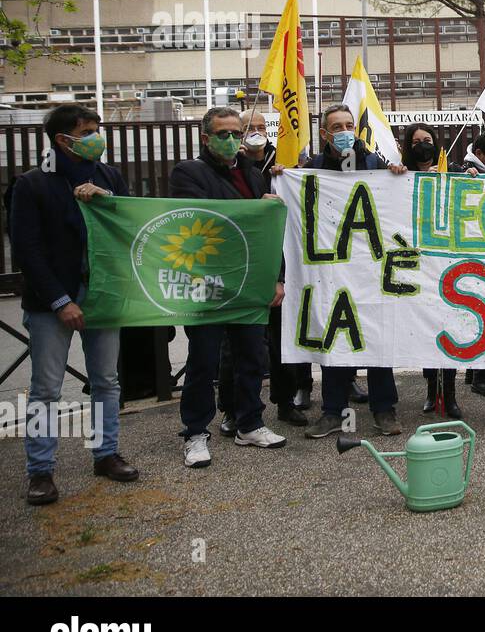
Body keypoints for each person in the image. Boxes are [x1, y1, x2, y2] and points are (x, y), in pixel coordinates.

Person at [11, 104, 139, 504]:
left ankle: (105, 454)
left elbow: (130, 224)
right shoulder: (31, 185)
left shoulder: (108, 176)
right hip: (53, 303)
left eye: (97, 130)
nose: (96, 138)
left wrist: (107, 200)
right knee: (46, 389)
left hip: (103, 295)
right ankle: (40, 471)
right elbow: (28, 251)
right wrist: (60, 299)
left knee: (106, 381)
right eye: (87, 131)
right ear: (63, 139)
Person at [169, 106, 288, 467]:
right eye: (224, 134)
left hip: (250, 280)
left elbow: (270, 232)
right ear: (206, 138)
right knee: (203, 359)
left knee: (252, 355)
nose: (232, 140)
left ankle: (249, 423)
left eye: (236, 133)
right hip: (207, 283)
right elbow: (204, 216)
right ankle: (194, 432)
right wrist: (256, 208)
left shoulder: (253, 175)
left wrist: (277, 277)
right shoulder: (188, 172)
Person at [302, 104, 409, 440]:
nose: (345, 131)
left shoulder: (375, 164)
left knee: (377, 338)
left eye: (349, 124)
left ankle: (383, 409)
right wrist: (281, 178)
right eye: (337, 127)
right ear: (324, 134)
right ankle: (333, 412)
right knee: (335, 340)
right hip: (332, 272)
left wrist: (396, 176)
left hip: (370, 271)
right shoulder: (312, 168)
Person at [213, 109, 310, 435]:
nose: (254, 133)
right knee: (234, 348)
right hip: (237, 271)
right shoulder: (225, 171)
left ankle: (285, 403)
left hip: (273, 266)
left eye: (259, 127)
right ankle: (231, 409)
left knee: (280, 341)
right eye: (246, 129)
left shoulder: (277, 165)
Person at [401, 122, 462, 418]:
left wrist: (469, 178)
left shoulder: (454, 172)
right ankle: (430, 390)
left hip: (448, 265)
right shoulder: (399, 176)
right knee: (426, 330)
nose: (422, 145)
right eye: (416, 142)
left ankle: (449, 394)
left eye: (427, 140)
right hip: (417, 267)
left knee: (447, 328)